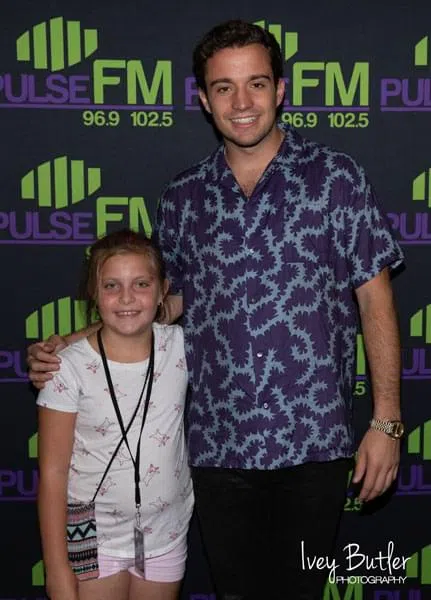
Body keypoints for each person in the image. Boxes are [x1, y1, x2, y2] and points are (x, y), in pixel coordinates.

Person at [29, 20, 403, 600]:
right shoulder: (183, 197)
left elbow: (375, 298)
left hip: (315, 443)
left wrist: (386, 421)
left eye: (256, 83)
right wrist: (74, 343)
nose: (242, 102)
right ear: (204, 99)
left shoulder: (336, 179)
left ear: (280, 89)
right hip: (216, 448)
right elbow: (162, 302)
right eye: (224, 87)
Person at [36, 229, 193, 600]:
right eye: (111, 286)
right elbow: (53, 473)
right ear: (94, 292)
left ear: (162, 291)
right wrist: (56, 569)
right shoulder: (67, 369)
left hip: (166, 533)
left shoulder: (183, 347)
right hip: (93, 536)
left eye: (141, 284)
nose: (126, 297)